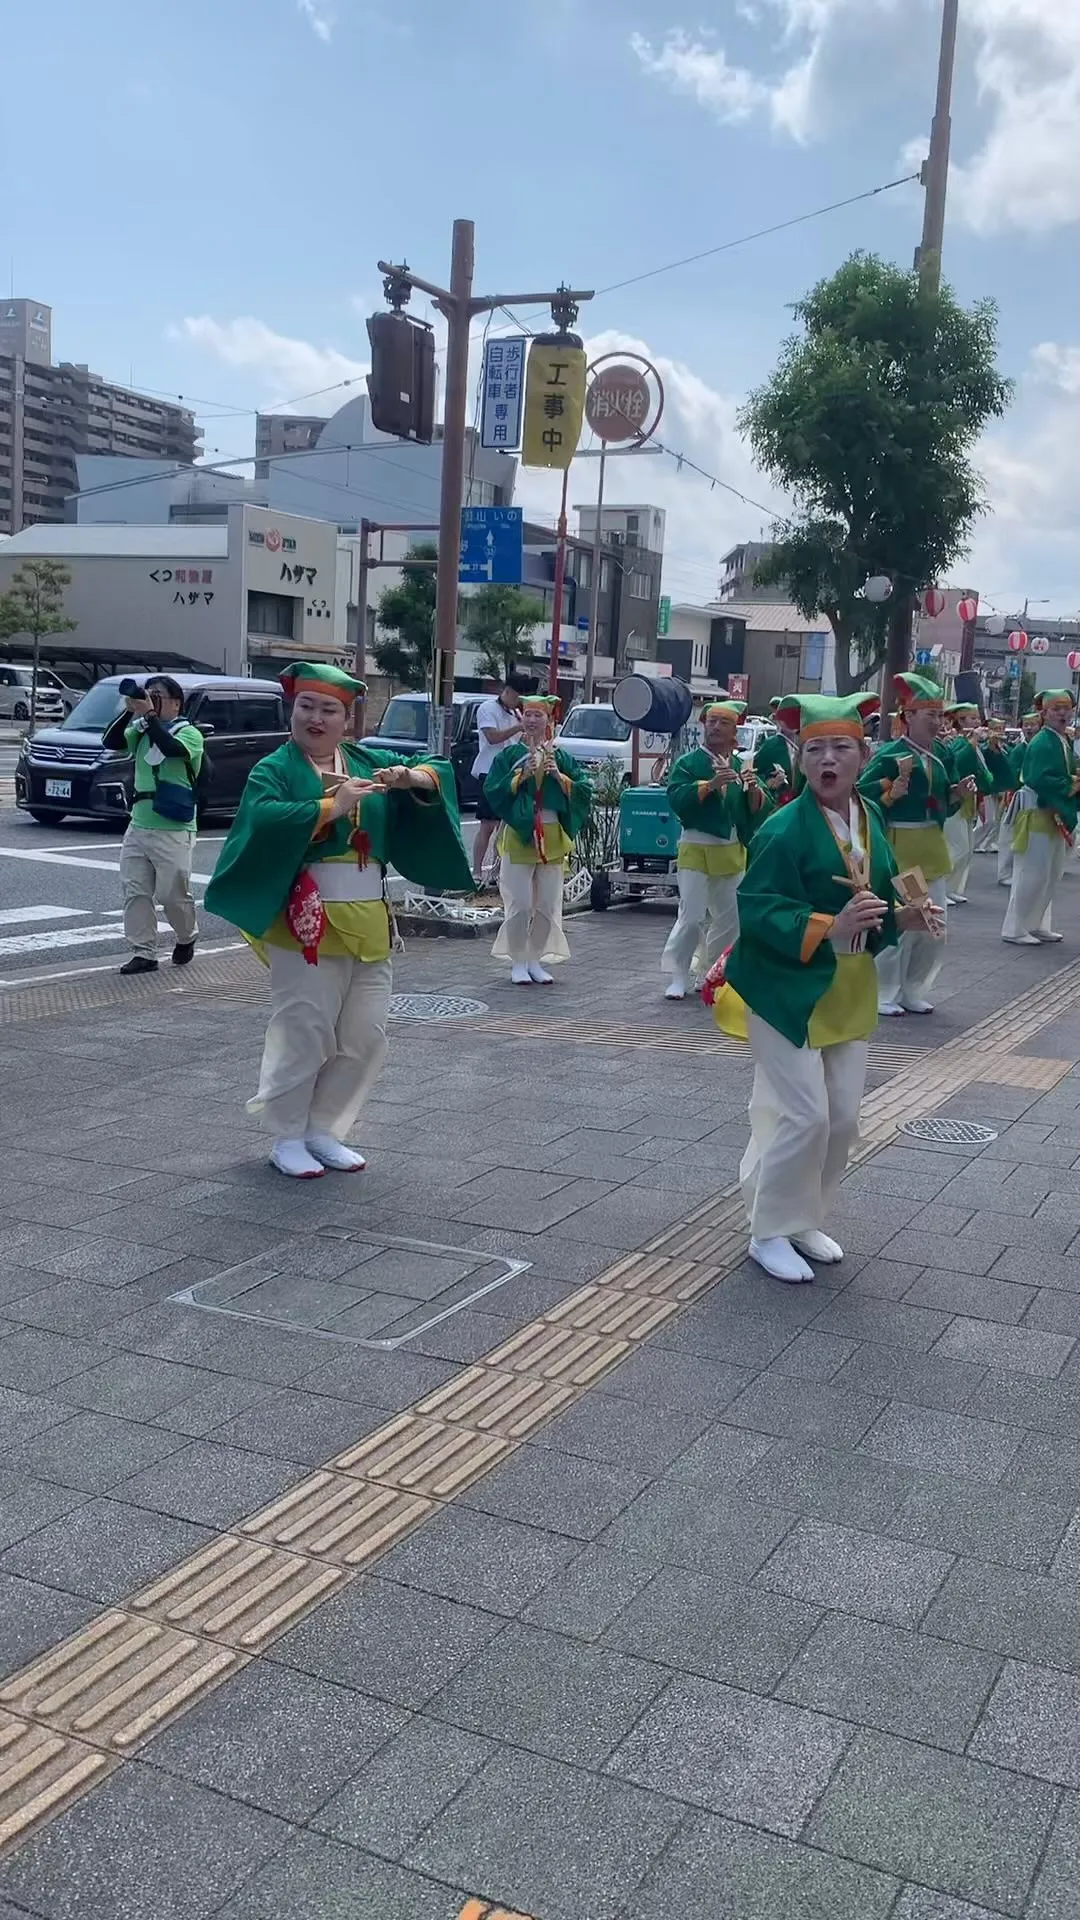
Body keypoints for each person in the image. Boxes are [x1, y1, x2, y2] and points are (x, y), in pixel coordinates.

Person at [204, 661, 473, 1178]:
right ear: (293, 710)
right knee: (304, 1030)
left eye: (329, 709)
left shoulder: (365, 758)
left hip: (369, 917)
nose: (315, 718)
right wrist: (329, 804)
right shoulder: (275, 768)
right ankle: (286, 1134)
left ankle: (322, 1129)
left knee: (365, 1034)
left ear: (348, 719)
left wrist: (407, 776)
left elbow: (435, 770)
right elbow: (261, 819)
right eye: (306, 706)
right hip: (305, 921)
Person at [715, 694, 937, 1284]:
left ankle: (802, 1216)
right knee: (804, 1115)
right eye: (816, 749)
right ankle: (768, 1231)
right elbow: (758, 909)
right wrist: (829, 926)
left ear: (864, 756)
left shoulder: (869, 814)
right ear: (802, 758)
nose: (828, 759)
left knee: (841, 1118)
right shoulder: (783, 829)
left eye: (841, 747)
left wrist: (903, 918)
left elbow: (877, 902)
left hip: (848, 983)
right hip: (785, 986)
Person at [859, 672, 963, 1017]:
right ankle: (883, 991)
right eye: (928, 715)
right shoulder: (889, 755)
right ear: (907, 717)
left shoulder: (943, 755)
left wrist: (958, 796)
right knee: (904, 923)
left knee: (936, 925)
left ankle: (914, 988)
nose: (936, 722)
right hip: (902, 845)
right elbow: (861, 794)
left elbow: (943, 806)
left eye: (938, 715)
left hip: (931, 845)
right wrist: (889, 793)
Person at [661, 699, 770, 1000]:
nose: (715, 727)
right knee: (692, 915)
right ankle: (679, 973)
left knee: (730, 918)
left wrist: (755, 791)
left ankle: (710, 972)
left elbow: (759, 810)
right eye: (711, 722)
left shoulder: (741, 766)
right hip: (695, 846)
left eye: (723, 723)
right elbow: (676, 797)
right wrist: (710, 784)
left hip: (731, 849)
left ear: (736, 731)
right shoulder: (688, 762)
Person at [484, 695, 592, 985]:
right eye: (528, 714)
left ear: (549, 720)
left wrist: (560, 778)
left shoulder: (561, 756)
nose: (532, 720)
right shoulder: (508, 756)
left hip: (551, 831)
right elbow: (493, 789)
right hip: (521, 832)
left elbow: (584, 788)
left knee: (547, 903)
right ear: (521, 719)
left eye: (538, 715)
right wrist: (521, 776)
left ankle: (534, 959)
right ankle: (518, 960)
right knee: (518, 903)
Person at [103, 675, 204, 976]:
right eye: (150, 695)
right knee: (135, 889)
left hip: (173, 825)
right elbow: (111, 741)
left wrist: (149, 716)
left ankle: (187, 935)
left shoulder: (190, 733)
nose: (153, 699)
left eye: (158, 695)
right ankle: (144, 952)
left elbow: (171, 748)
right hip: (139, 822)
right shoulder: (142, 729)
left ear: (176, 702)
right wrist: (130, 711)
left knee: (172, 893)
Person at [1001, 688, 1080, 946]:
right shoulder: (1043, 741)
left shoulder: (1060, 740)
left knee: (1050, 872)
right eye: (1056, 709)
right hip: (1038, 811)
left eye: (1066, 708)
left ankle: (1035, 924)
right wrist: (1071, 784)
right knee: (1032, 873)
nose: (1062, 713)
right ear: (1043, 713)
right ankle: (1015, 927)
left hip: (1051, 812)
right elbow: (1039, 778)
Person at [470, 676, 526, 884]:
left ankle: (496, 871)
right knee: (487, 825)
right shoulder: (488, 708)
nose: (518, 702)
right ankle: (477, 872)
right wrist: (518, 727)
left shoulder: (516, 712)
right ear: (508, 691)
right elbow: (492, 737)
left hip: (511, 773)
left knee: (505, 826)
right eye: (517, 696)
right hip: (489, 771)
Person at [940, 703, 994, 904]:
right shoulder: (955, 741)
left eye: (977, 718)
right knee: (958, 846)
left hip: (968, 800)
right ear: (960, 721)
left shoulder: (972, 742)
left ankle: (952, 887)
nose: (977, 722)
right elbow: (958, 764)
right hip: (955, 800)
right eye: (972, 719)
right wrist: (971, 744)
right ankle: (942, 887)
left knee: (967, 848)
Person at [997, 712, 1040, 888]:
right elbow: (1011, 775)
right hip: (1017, 797)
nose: (1029, 728)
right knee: (1009, 834)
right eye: (1026, 725)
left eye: (1033, 724)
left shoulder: (1039, 746)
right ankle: (1004, 873)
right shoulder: (1018, 749)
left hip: (1035, 799)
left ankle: (1021, 871)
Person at [753, 697, 802, 806]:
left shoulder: (806, 743)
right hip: (780, 805)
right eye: (785, 717)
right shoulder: (772, 744)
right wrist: (768, 783)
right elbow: (753, 772)